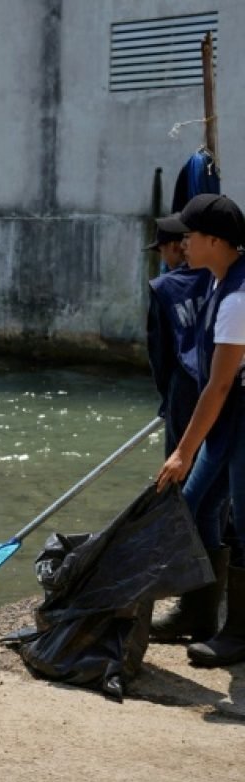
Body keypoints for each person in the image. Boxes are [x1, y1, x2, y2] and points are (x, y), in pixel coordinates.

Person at [156, 193, 245, 666]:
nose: (182, 242)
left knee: (243, 523)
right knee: (196, 503)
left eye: (189, 236)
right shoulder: (217, 281)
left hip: (238, 411)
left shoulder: (236, 298)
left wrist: (183, 450)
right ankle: (198, 611)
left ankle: (240, 633)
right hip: (231, 414)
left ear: (215, 240)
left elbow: (221, 383)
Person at [147, 216, 219, 642]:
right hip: (226, 394)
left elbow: (161, 356)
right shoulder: (222, 280)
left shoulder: (164, 289)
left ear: (176, 247)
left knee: (186, 497)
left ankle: (194, 606)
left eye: (165, 249)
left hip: (186, 394)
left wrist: (167, 402)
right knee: (218, 500)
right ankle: (207, 603)